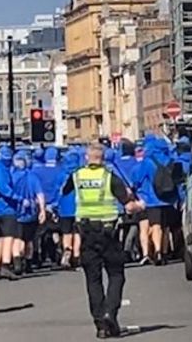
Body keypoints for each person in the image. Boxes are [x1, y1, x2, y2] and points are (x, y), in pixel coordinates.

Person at [62, 142, 145, 339]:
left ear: (86, 158)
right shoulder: (109, 177)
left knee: (93, 279)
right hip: (108, 233)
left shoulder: (77, 175)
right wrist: (140, 205)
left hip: (86, 233)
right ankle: (110, 313)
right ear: (103, 158)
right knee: (116, 275)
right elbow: (128, 205)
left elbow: (64, 191)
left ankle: (100, 323)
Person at [131, 136, 175, 266]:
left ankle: (157, 250)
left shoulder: (147, 162)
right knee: (165, 227)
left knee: (155, 225)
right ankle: (165, 251)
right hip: (168, 198)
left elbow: (137, 179)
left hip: (152, 199)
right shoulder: (169, 159)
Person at [0, 146, 20, 280]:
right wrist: (17, 197)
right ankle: (5, 265)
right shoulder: (2, 169)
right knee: (9, 237)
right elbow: (3, 187)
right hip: (6, 208)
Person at [12, 150, 46, 275]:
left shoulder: (11, 176)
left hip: (16, 211)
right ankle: (28, 263)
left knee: (17, 239)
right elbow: (40, 194)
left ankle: (16, 261)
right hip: (31, 212)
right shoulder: (32, 176)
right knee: (29, 240)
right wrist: (42, 210)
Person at [58, 148, 83, 269]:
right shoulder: (81, 174)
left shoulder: (61, 174)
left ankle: (67, 251)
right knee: (77, 232)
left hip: (64, 208)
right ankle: (76, 255)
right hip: (79, 207)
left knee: (66, 233)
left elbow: (57, 192)